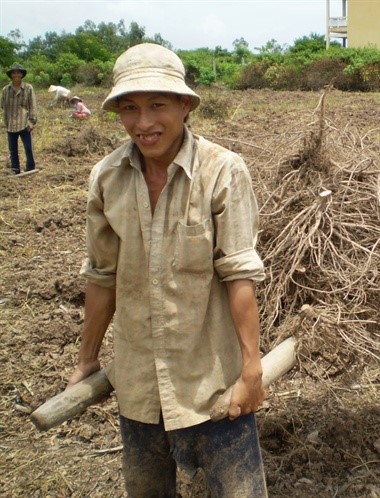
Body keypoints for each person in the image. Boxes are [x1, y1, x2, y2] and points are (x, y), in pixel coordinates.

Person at [67, 43, 268, 496]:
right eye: (130, 108)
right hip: (138, 382)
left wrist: (251, 370)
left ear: (185, 105)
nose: (143, 123)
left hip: (212, 384)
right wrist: (86, 360)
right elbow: (102, 277)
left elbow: (239, 275)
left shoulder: (222, 172)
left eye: (158, 105)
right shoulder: (106, 177)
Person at [1, 63, 37, 174]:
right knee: (13, 150)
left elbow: (32, 105)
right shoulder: (6, 90)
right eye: (14, 73)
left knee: (28, 148)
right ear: (11, 75)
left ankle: (30, 168)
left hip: (24, 122)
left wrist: (31, 122)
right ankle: (15, 168)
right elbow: (2, 106)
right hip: (10, 123)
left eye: (18, 72)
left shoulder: (28, 88)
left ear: (21, 75)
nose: (16, 75)